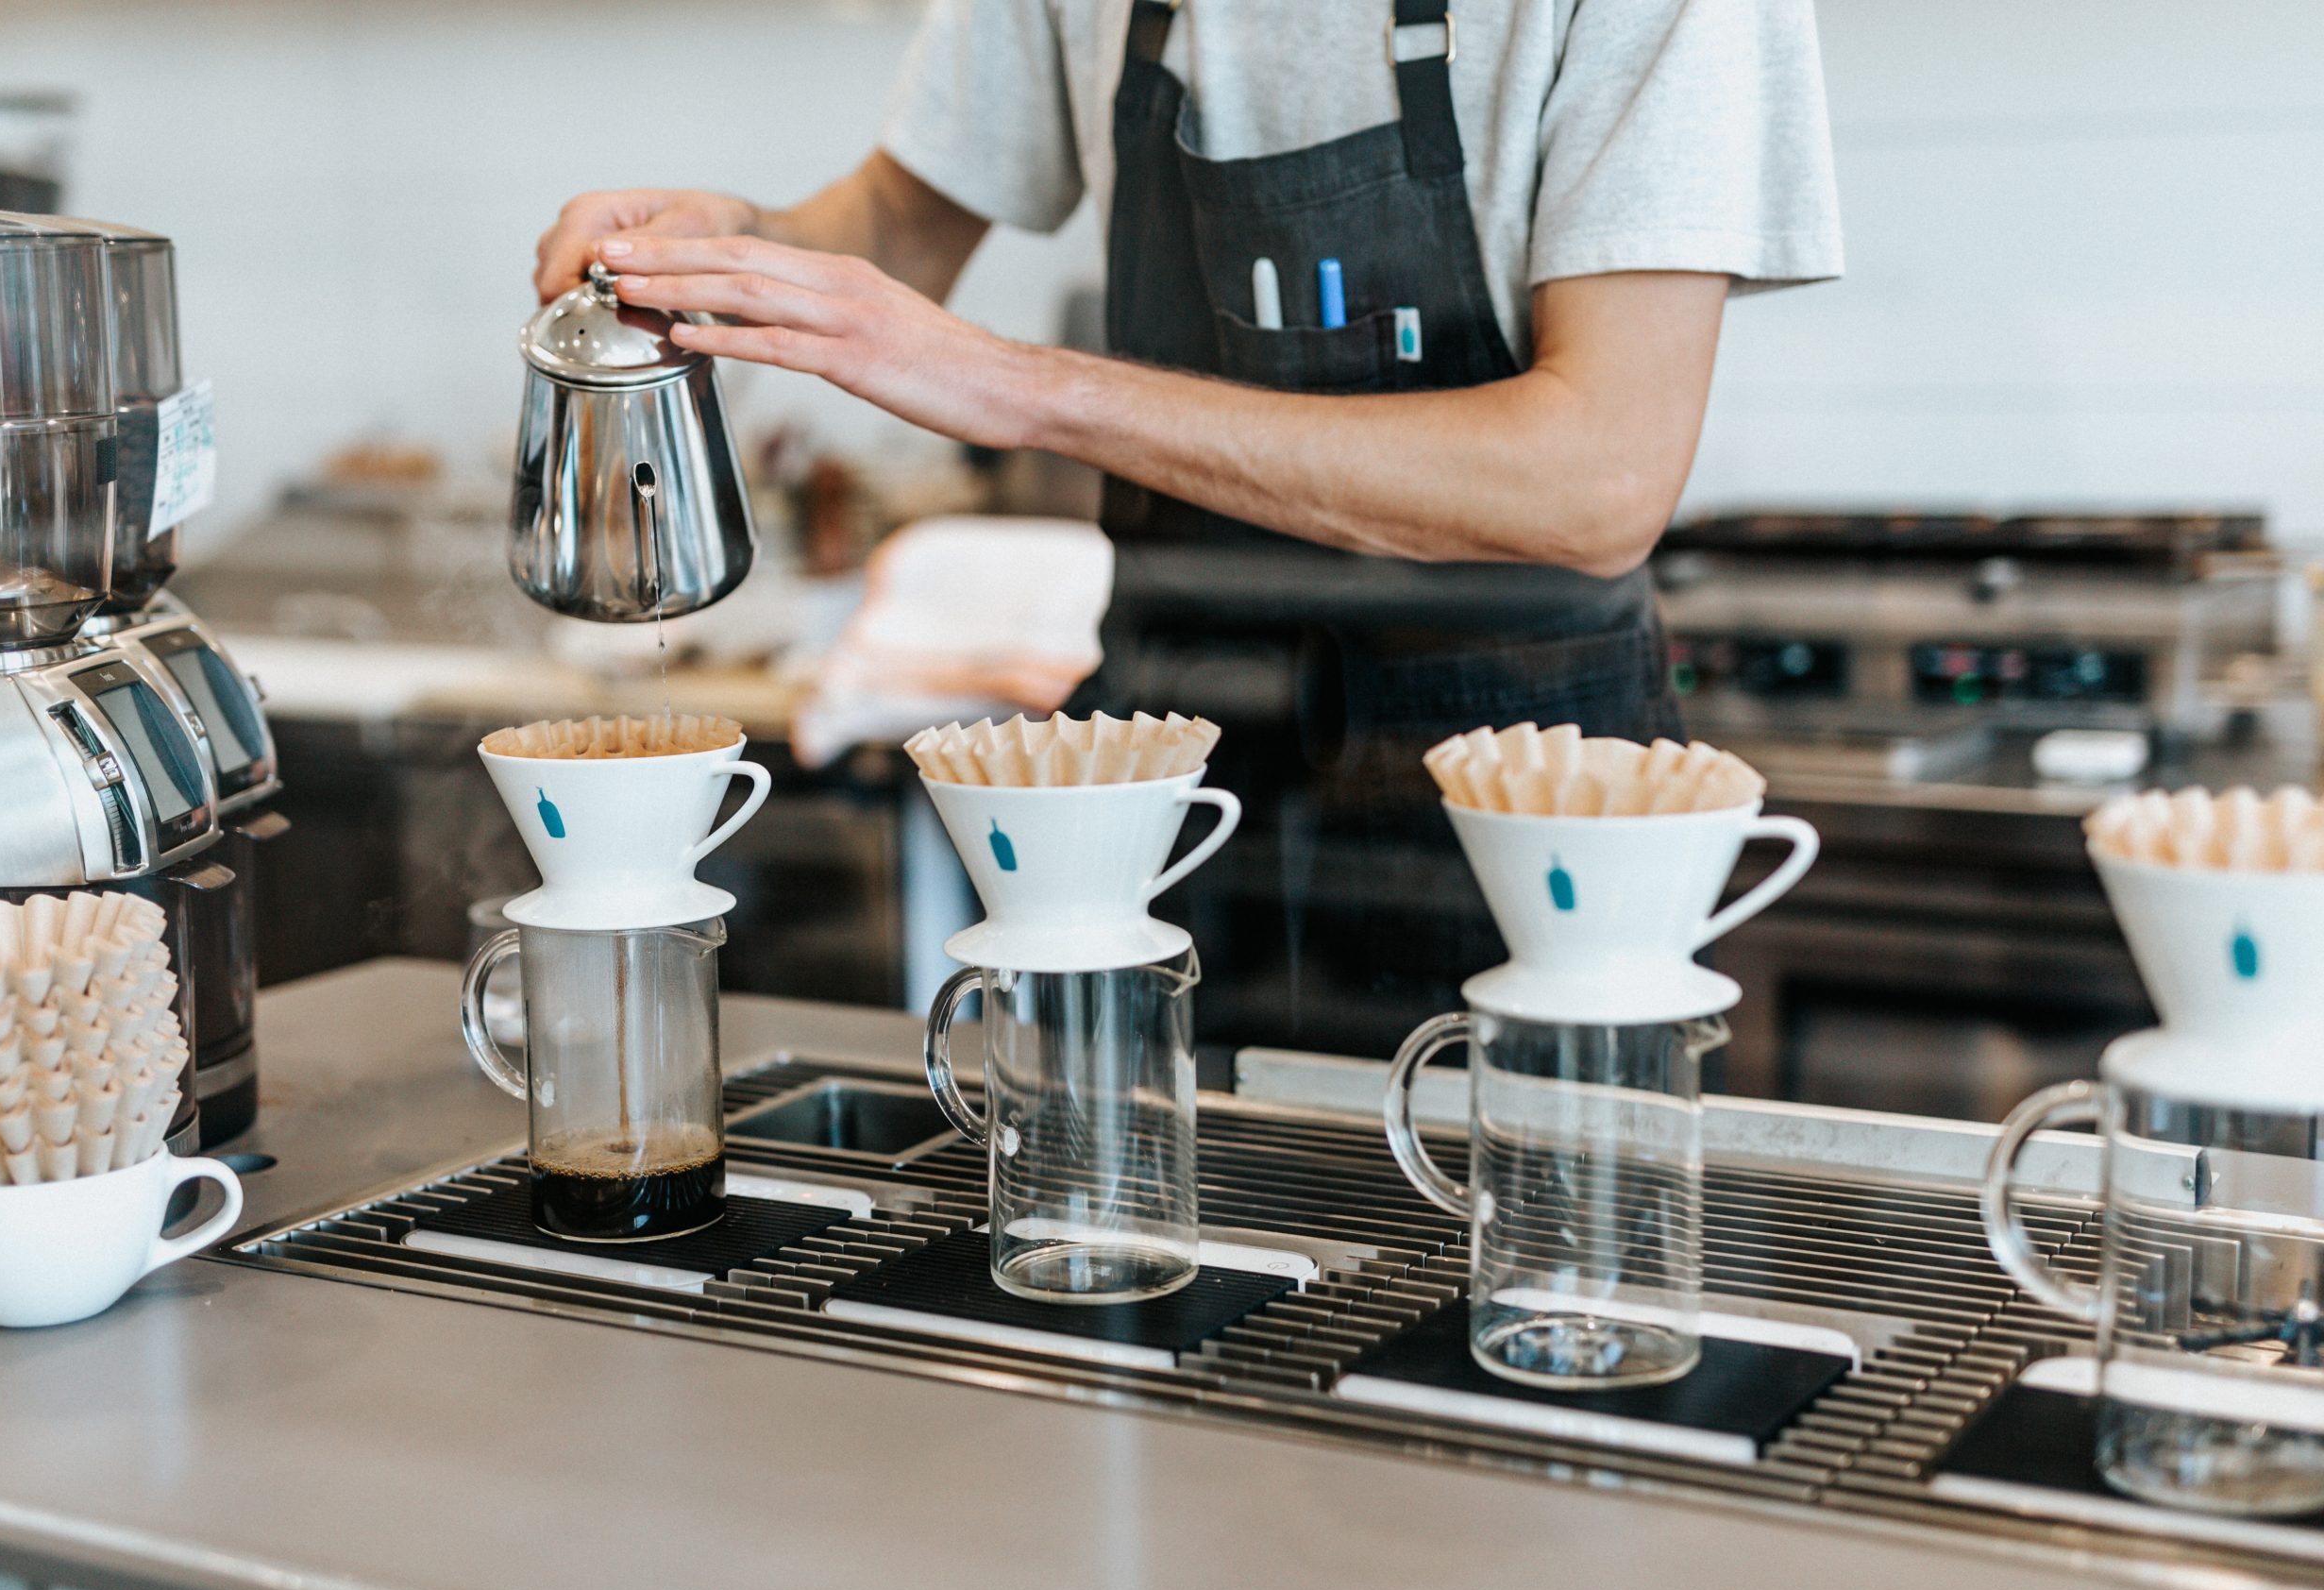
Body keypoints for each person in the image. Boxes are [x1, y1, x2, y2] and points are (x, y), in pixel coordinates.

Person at [535, 0, 1842, 1056]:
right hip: (1164, 788)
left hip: (1524, 811)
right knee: (1136, 1269)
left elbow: (1597, 484)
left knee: (1512, 1311)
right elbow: (899, 223)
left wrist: (1018, 386)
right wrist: (737, 242)